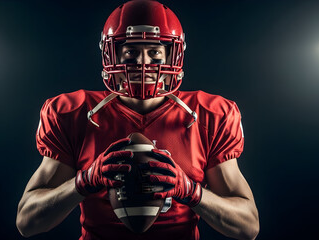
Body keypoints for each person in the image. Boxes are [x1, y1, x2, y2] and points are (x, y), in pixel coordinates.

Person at [16, 0, 259, 239]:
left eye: (154, 52)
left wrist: (192, 192)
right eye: (131, 52)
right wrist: (84, 182)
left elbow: (248, 226)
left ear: (173, 55)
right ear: (111, 55)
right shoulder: (74, 113)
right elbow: (27, 222)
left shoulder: (209, 115)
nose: (143, 63)